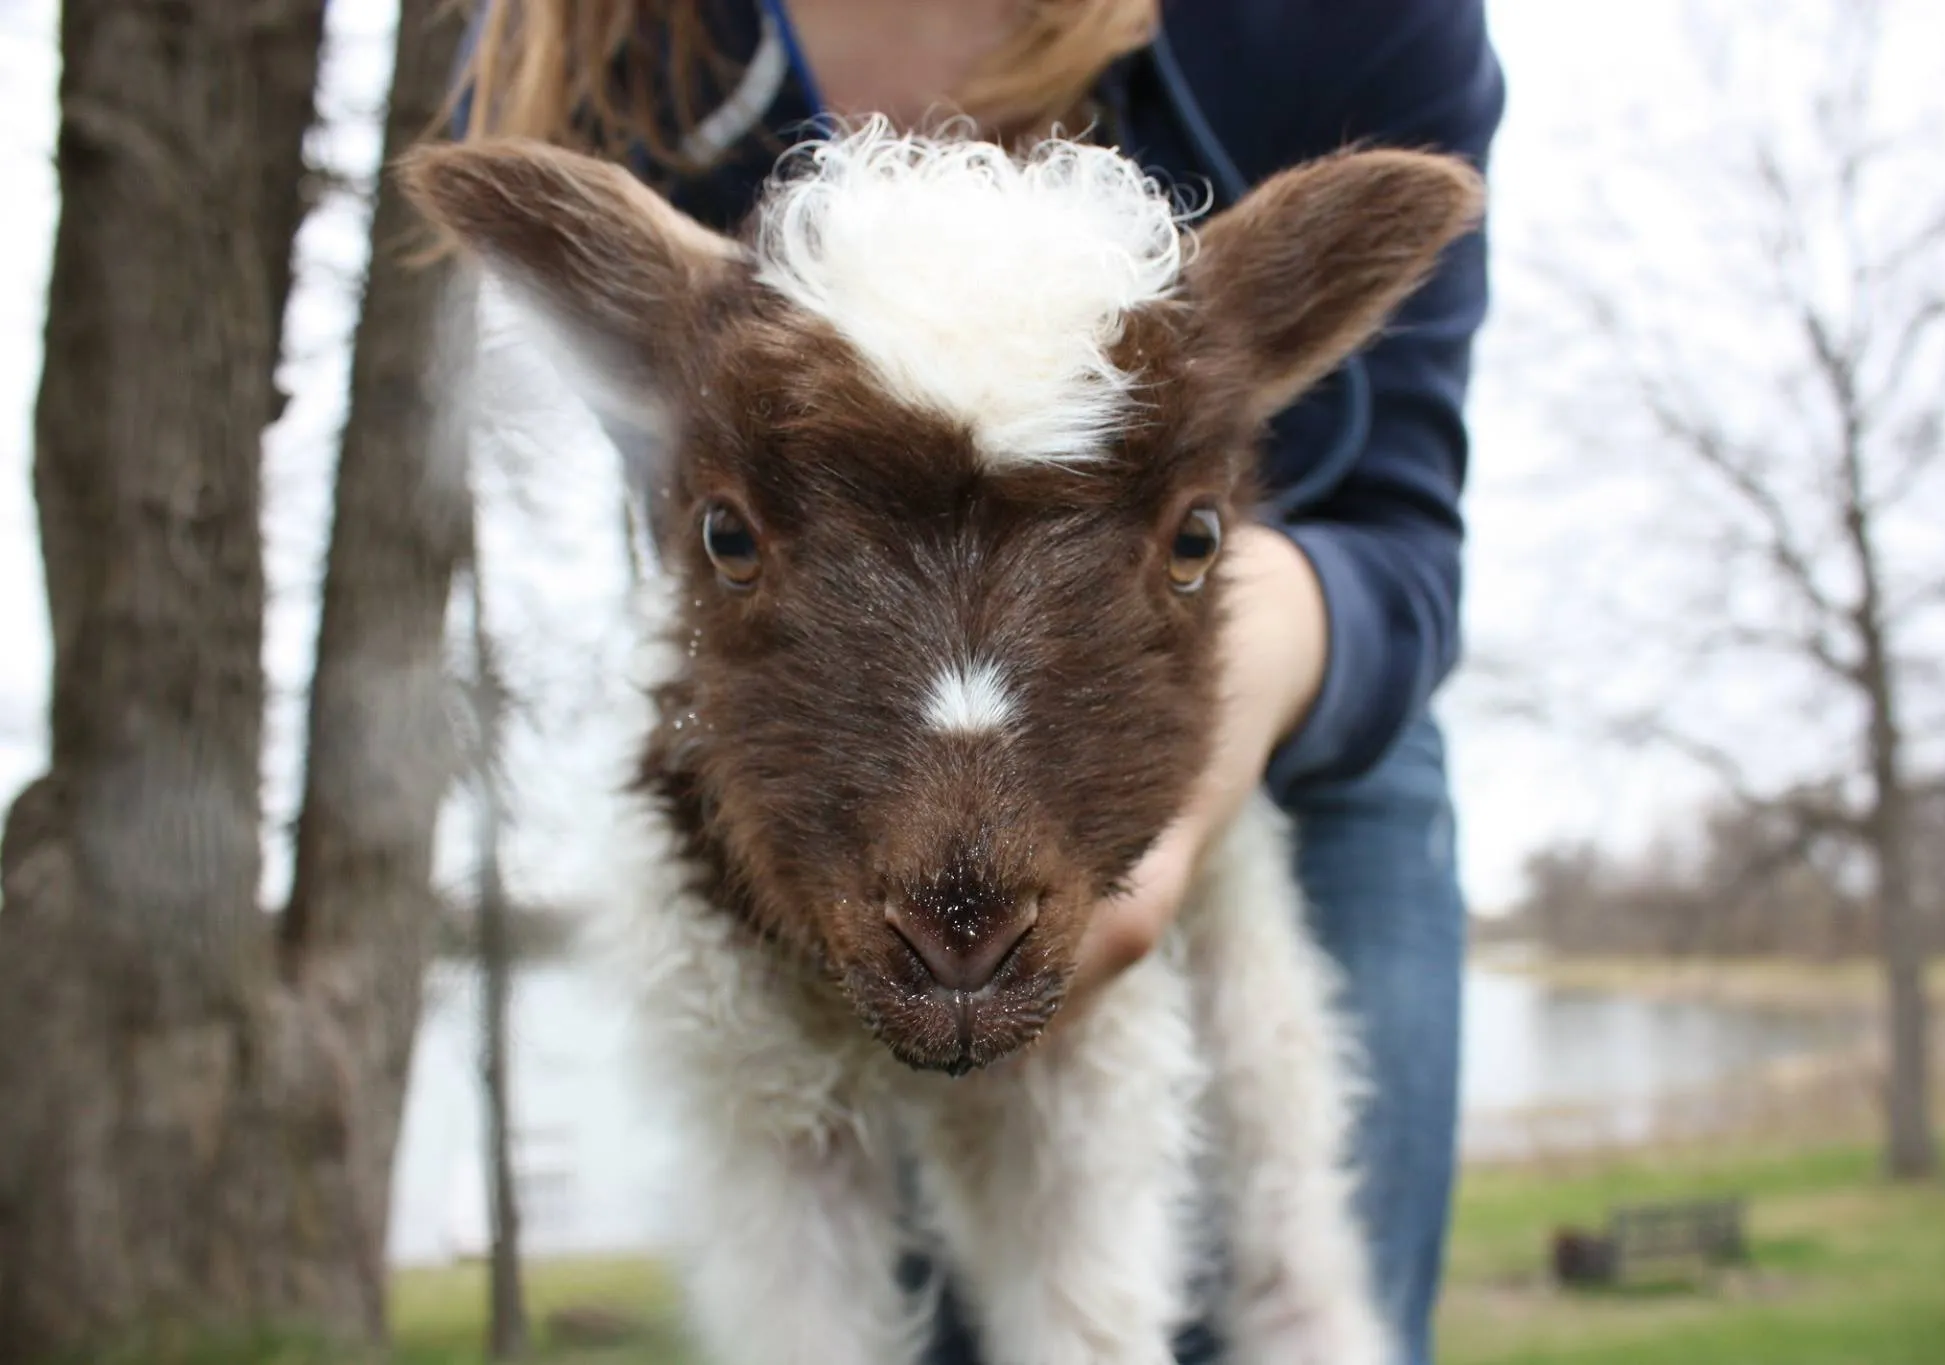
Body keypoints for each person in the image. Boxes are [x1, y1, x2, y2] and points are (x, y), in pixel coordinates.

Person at [446, 3, 1504, 1361]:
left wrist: (1182, 780)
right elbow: (742, 528)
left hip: (1251, 691)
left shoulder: (1329, 24)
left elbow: (1401, 541)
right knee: (801, 1184)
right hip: (812, 765)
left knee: (1287, 1277)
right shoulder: (592, 44)